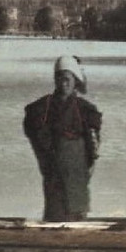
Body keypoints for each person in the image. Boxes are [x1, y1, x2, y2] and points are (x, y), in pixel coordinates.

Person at [22, 55, 102, 222]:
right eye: (59, 79)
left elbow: (93, 143)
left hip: (78, 169)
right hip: (54, 167)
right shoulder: (43, 107)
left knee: (77, 211)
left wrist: (91, 162)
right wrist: (44, 153)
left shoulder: (86, 109)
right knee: (55, 211)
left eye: (67, 79)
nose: (63, 84)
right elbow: (32, 129)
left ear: (75, 81)